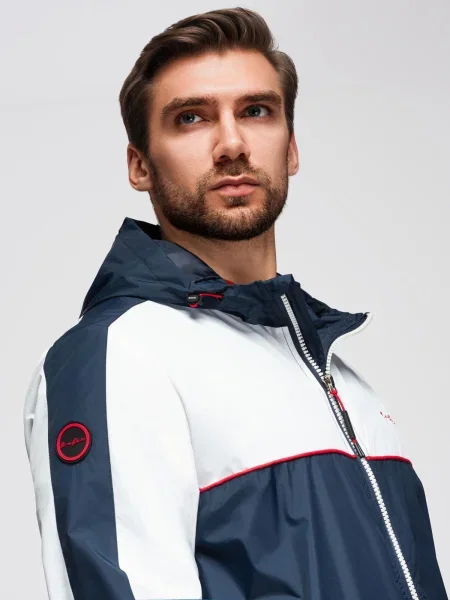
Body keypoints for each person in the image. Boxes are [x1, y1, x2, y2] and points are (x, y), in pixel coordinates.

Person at [23, 7, 447, 600]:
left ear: (290, 149)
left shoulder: (343, 381)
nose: (231, 143)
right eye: (191, 118)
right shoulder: (121, 356)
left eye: (256, 111)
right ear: (140, 165)